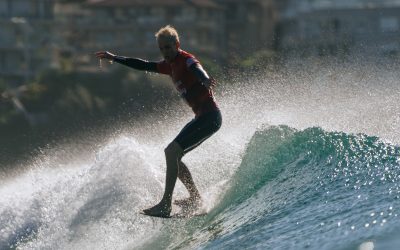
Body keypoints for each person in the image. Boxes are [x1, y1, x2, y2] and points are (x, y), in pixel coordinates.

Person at [95, 25, 222, 218]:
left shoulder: (185, 59)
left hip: (210, 117)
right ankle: (195, 198)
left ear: (177, 44)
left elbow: (196, 67)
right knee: (173, 155)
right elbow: (142, 64)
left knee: (171, 151)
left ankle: (165, 205)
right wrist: (115, 58)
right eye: (162, 49)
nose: (165, 52)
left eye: (168, 48)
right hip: (201, 118)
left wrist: (204, 79)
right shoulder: (168, 66)